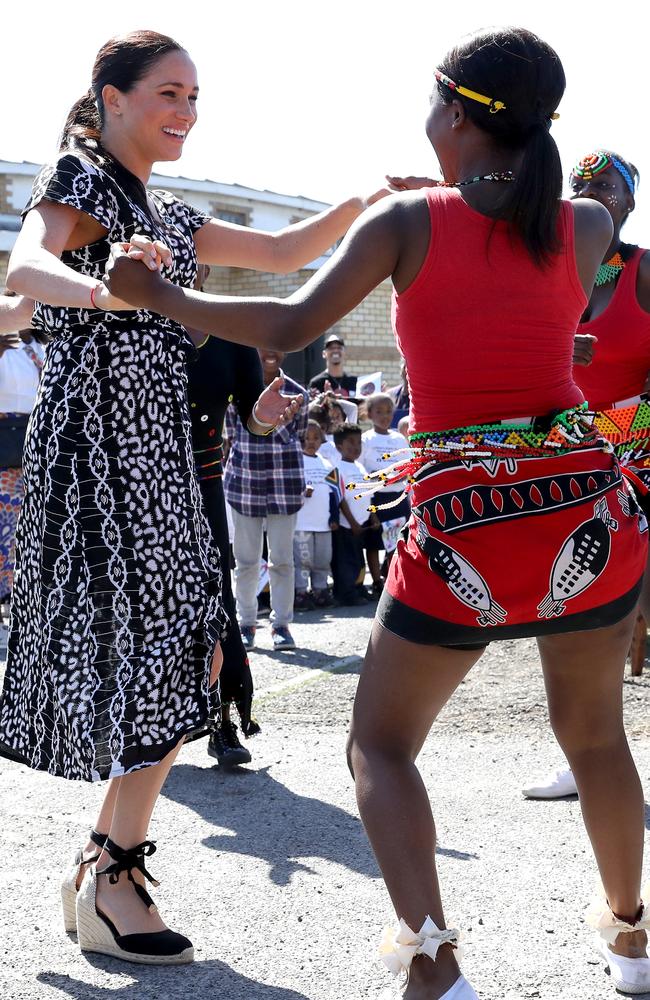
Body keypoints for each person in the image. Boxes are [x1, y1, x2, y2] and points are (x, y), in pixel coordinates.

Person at [105, 26, 650, 998]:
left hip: (463, 540)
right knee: (597, 739)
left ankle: (433, 964)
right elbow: (569, 203)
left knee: (380, 744)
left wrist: (157, 289)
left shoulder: (404, 228)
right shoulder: (580, 228)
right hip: (584, 516)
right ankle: (629, 939)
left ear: (449, 115)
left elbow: (284, 325)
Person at [0, 30, 388, 967]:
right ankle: (114, 878)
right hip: (94, 453)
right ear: (113, 98)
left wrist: (369, 206)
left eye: (195, 97)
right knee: (151, 650)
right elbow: (26, 270)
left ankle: (109, 867)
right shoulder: (78, 181)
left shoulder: (173, 215)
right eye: (168, 93)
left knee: (199, 653)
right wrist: (111, 294)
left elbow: (291, 245)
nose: (185, 112)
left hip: (164, 456)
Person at [523, 150, 650, 803]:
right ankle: (583, 758)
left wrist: (617, 439)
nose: (588, 190)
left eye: (604, 183)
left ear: (629, 201)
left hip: (637, 469)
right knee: (569, 612)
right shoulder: (544, 272)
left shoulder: (643, 270)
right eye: (579, 182)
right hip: (560, 468)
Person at [186, 266, 300, 766]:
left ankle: (222, 723)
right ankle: (139, 729)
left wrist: (266, 413)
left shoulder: (231, 331)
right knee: (144, 606)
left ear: (205, 267)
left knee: (214, 603)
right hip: (141, 488)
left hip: (205, 486)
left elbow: (252, 423)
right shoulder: (139, 329)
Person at [224, 349, 309, 651]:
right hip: (244, 485)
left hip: (284, 486)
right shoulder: (237, 389)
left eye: (277, 346)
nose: (269, 352)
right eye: (261, 345)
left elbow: (297, 435)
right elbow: (232, 435)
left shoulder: (298, 394)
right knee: (245, 562)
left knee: (282, 561)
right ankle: (246, 623)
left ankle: (281, 626)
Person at [0, 292, 38, 627]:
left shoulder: (38, 350)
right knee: (4, 531)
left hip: (35, 450)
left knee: (28, 531)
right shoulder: (4, 354)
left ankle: (19, 598)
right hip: (5, 454)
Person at [360, 392, 411, 594]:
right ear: (370, 414)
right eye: (379, 411)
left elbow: (409, 465)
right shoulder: (365, 439)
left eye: (389, 411)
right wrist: (377, 477)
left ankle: (392, 580)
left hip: (397, 497)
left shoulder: (399, 439)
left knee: (396, 540)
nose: (384, 416)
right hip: (376, 497)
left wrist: (401, 476)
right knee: (374, 542)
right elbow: (360, 469)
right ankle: (376, 581)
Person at [293, 419, 339, 610]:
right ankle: (301, 593)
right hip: (301, 524)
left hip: (323, 523)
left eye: (315, 438)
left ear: (322, 440)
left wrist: (334, 517)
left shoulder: (328, 464)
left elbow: (334, 493)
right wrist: (302, 491)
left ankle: (320, 591)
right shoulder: (294, 461)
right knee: (303, 561)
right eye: (306, 438)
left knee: (322, 559)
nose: (311, 441)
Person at [330, 423, 378, 606]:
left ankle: (358, 588)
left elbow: (369, 496)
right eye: (350, 442)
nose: (356, 447)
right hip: (346, 525)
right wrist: (352, 522)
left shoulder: (360, 467)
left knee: (359, 558)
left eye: (358, 442)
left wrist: (373, 517)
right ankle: (346, 593)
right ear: (338, 446)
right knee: (345, 561)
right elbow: (340, 499)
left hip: (362, 523)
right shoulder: (336, 468)